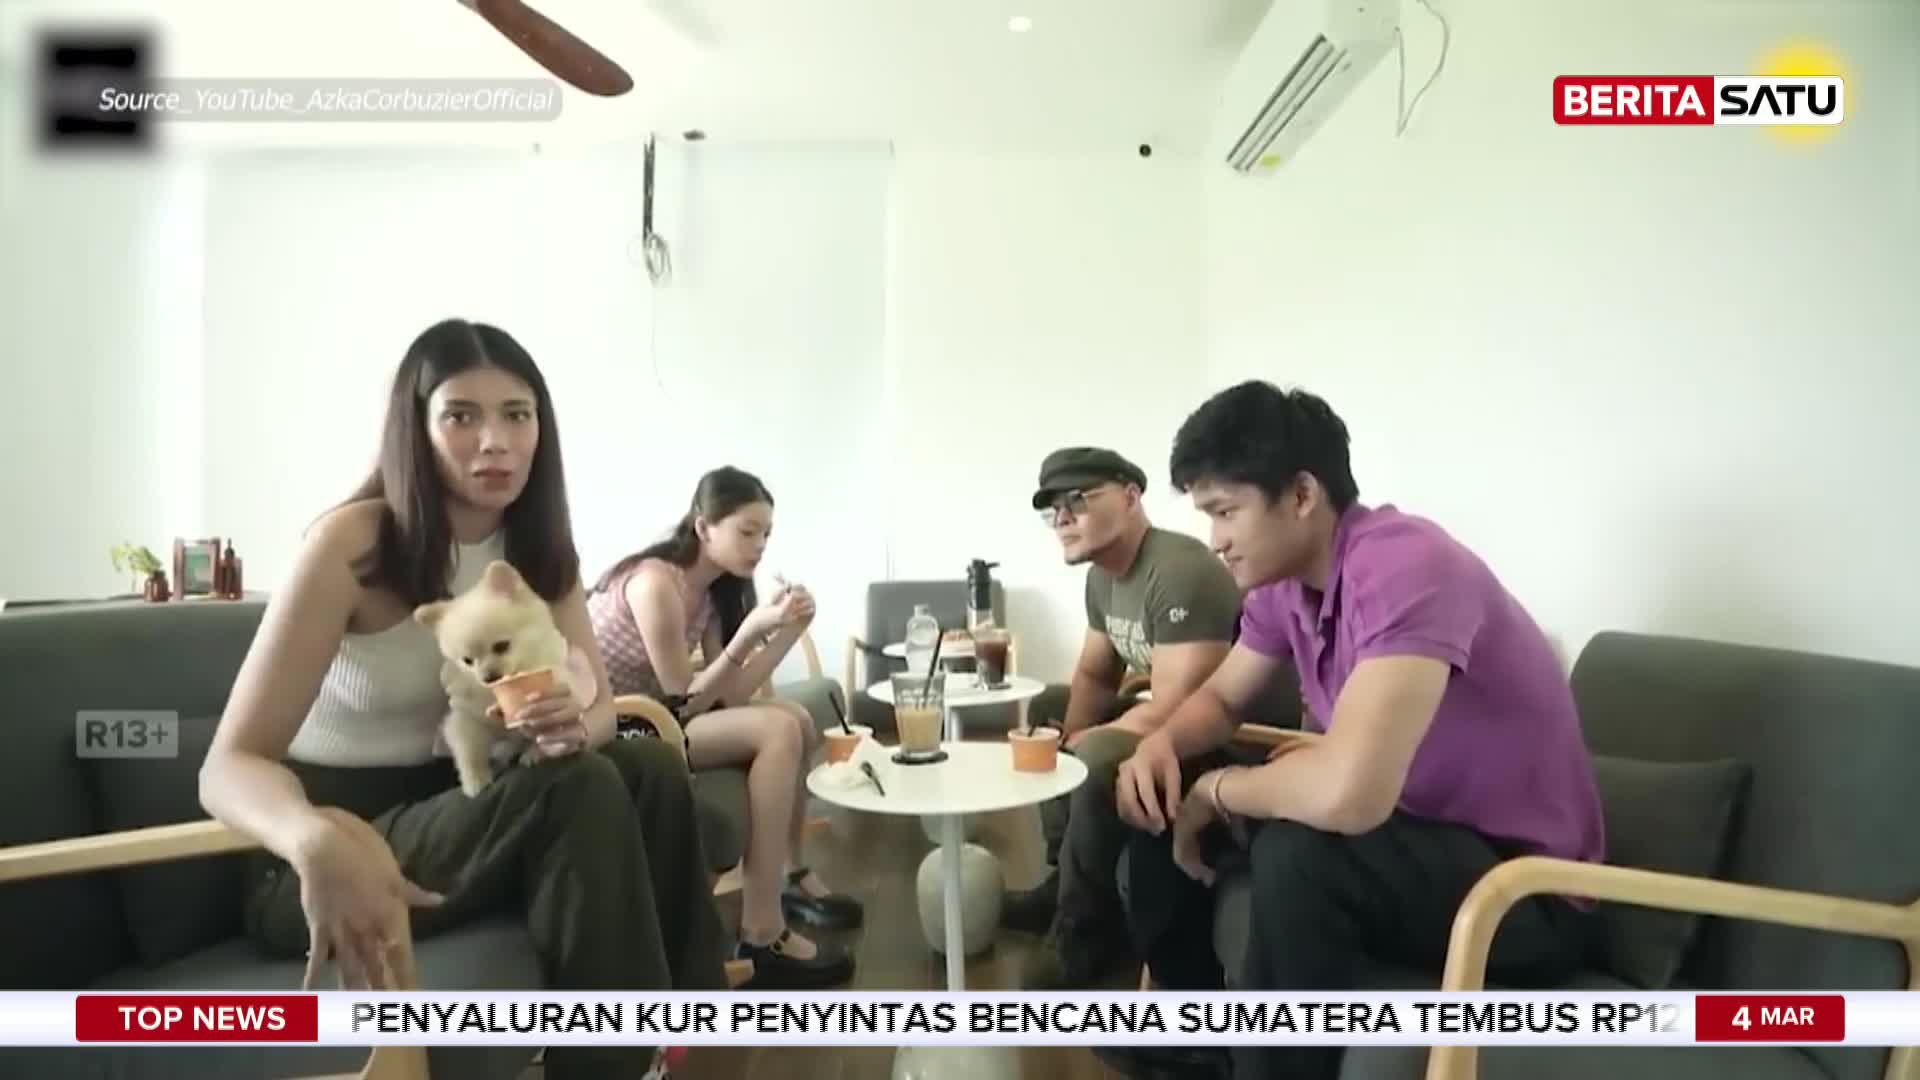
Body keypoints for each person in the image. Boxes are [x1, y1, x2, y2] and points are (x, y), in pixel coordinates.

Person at [198, 318, 726, 1080]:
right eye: (461, 416)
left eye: (517, 415)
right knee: (575, 788)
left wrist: (570, 722)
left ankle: (680, 1035)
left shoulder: (538, 549)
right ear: (416, 429)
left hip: (464, 806)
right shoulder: (352, 546)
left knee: (645, 769)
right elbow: (227, 766)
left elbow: (604, 709)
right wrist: (311, 838)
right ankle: (613, 1065)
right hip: (326, 846)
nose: (495, 442)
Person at [1109, 381, 1605, 1080]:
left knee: (1301, 854)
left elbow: (1351, 794)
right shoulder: (1285, 584)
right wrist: (1161, 743)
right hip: (1412, 844)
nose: (1214, 540)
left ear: (1303, 494)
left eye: (1226, 511)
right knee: (1163, 791)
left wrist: (1221, 788)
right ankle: (1198, 1042)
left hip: (1524, 889)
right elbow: (1221, 700)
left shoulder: (1408, 566)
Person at [588, 466, 860, 988]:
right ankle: (761, 929)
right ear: (702, 527)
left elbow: (728, 693)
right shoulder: (654, 583)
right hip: (620, 728)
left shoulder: (711, 595)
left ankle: (789, 876)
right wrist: (751, 633)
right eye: (747, 531)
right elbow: (683, 700)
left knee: (795, 718)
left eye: (766, 534)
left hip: (658, 718)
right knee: (778, 731)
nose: (759, 546)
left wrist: (785, 632)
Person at [1005, 447, 1241, 992]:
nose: (1062, 519)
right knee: (1048, 715)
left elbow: (1182, 705)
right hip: (1164, 710)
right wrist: (1061, 738)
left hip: (1226, 735)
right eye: (1052, 510)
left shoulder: (1180, 569)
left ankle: (1086, 936)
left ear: (1131, 496)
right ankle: (1061, 876)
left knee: (1094, 755)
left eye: (1077, 501)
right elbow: (1093, 675)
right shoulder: (1102, 577)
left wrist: (1084, 745)